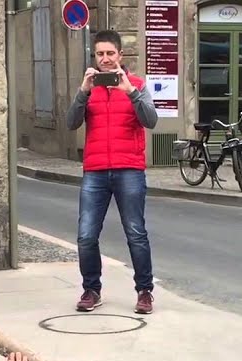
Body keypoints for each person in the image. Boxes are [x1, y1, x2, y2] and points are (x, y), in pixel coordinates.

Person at [66, 30, 159, 315]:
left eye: (110, 53)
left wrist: (129, 91)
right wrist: (83, 91)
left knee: (135, 233)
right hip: (95, 171)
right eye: (100, 54)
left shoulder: (138, 85)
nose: (105, 59)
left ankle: (144, 291)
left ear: (120, 55)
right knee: (86, 235)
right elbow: (71, 123)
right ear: (94, 57)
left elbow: (151, 120)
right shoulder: (89, 89)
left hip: (129, 169)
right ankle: (91, 289)